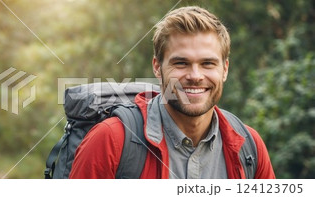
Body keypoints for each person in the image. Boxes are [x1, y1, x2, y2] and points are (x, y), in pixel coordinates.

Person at [68, 6, 275, 179]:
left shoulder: (249, 146)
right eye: (181, 63)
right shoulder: (110, 140)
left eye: (207, 63)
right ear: (157, 67)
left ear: (225, 69)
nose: (195, 75)